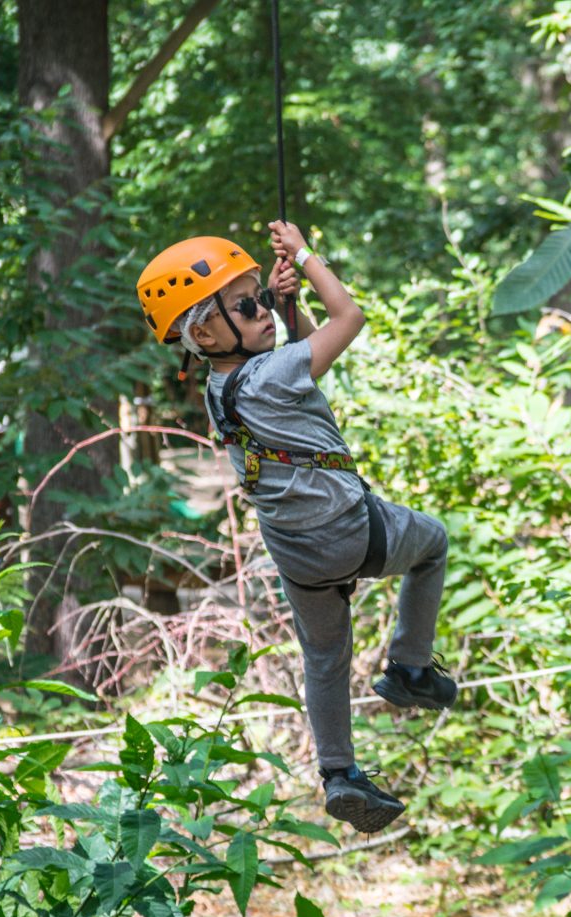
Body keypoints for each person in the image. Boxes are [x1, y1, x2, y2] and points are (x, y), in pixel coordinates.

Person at [134, 223, 457, 833]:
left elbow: (310, 365)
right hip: (346, 528)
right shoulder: (274, 374)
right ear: (202, 331)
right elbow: (350, 319)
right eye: (246, 304)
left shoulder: (220, 388)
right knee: (432, 543)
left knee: (326, 655)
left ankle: (338, 772)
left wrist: (289, 305)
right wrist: (306, 257)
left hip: (296, 555)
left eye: (259, 297)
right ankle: (411, 667)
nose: (261, 310)